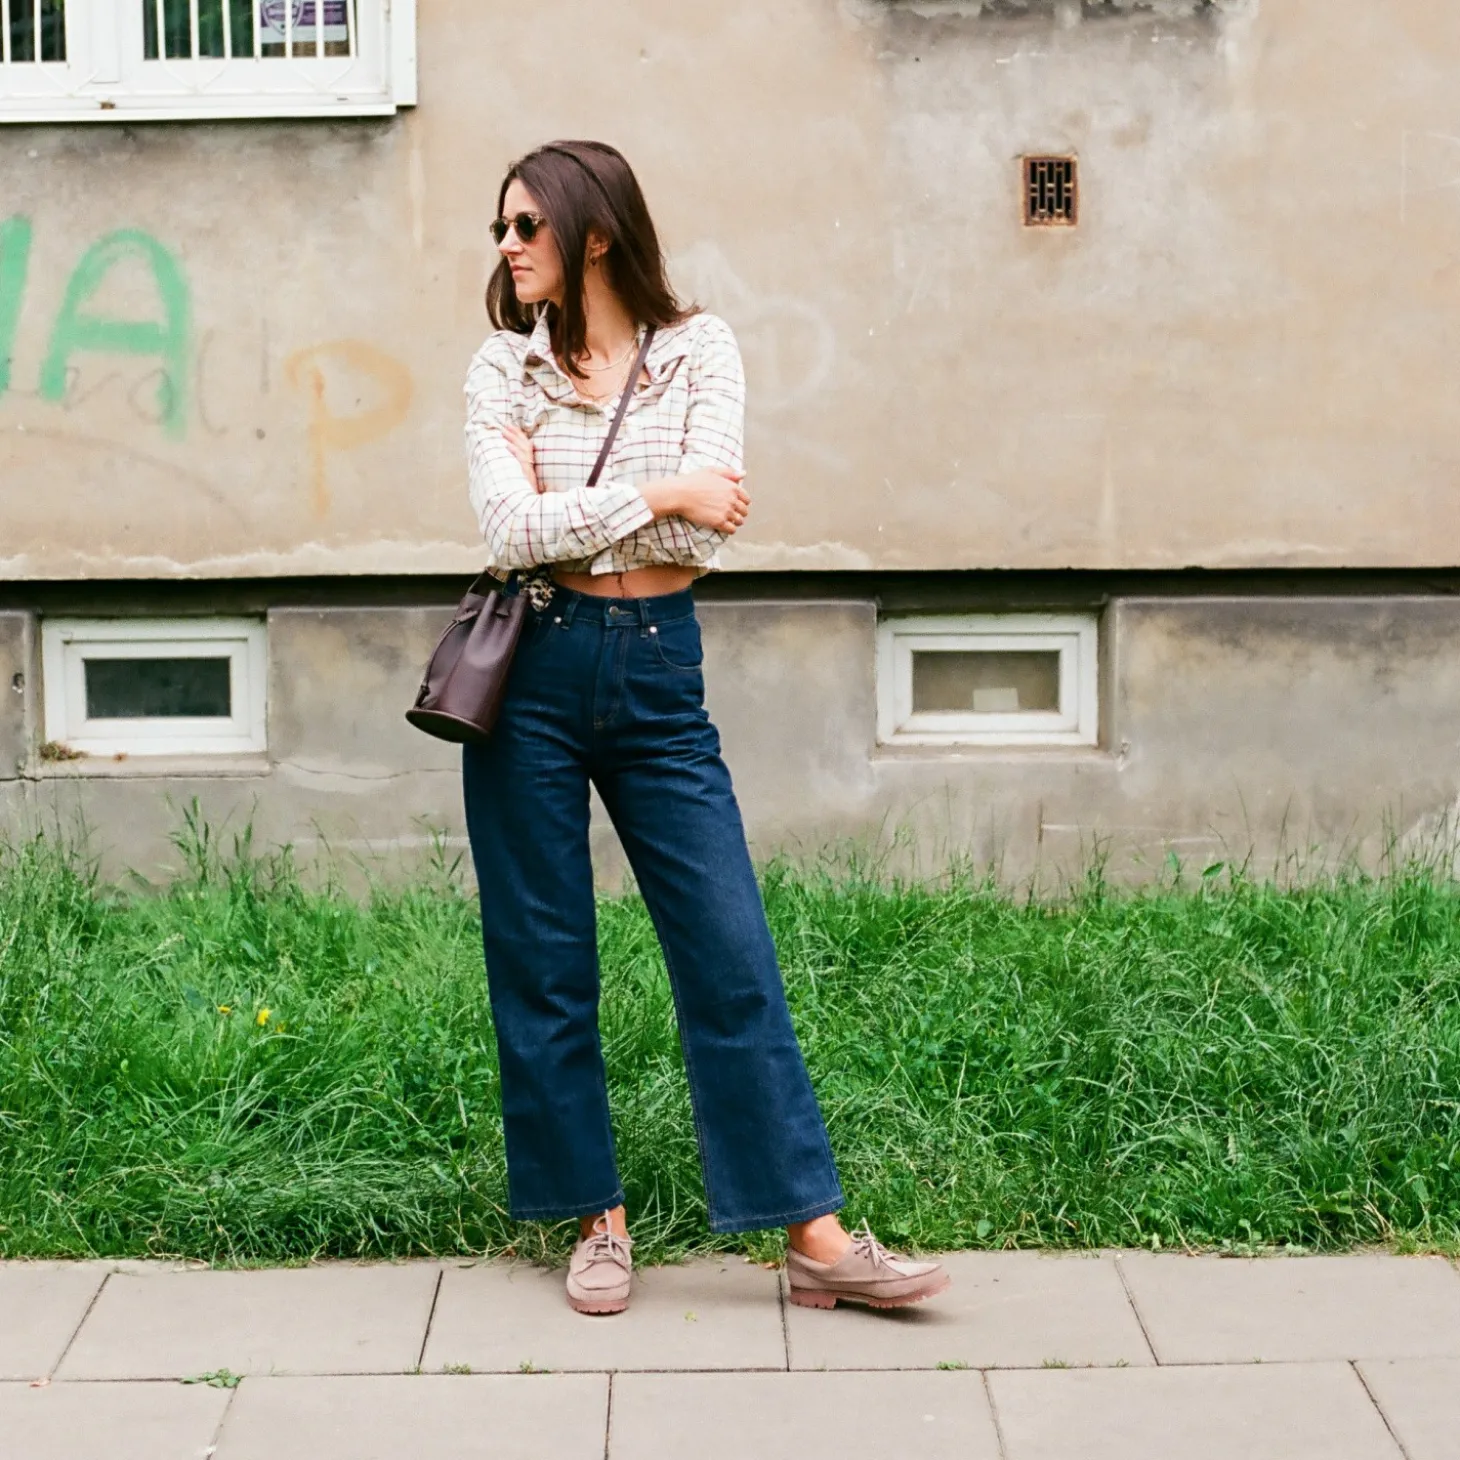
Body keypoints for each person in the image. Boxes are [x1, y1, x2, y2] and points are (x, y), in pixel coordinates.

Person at [461, 139, 949, 1316]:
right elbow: (508, 529)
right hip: (529, 673)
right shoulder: (500, 370)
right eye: (499, 228)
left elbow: (708, 523)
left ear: (592, 233)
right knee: (544, 959)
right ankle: (596, 1219)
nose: (507, 247)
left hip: (656, 669)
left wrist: (594, 506)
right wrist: (657, 490)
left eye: (526, 225)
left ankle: (814, 1236)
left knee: (729, 953)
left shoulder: (698, 350)